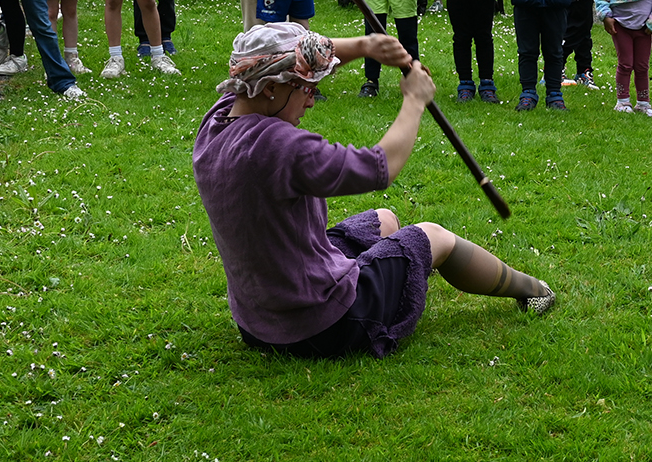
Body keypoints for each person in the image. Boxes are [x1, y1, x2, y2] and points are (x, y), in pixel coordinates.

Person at [192, 24, 555, 360]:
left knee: (385, 220)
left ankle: (393, 274)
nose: (312, 101)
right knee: (432, 237)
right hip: (321, 325)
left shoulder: (219, 120)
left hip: (260, 320)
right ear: (270, 87)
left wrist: (366, 46)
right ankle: (535, 291)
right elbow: (379, 167)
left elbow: (294, 56)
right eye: (307, 88)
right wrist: (414, 101)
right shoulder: (280, 147)